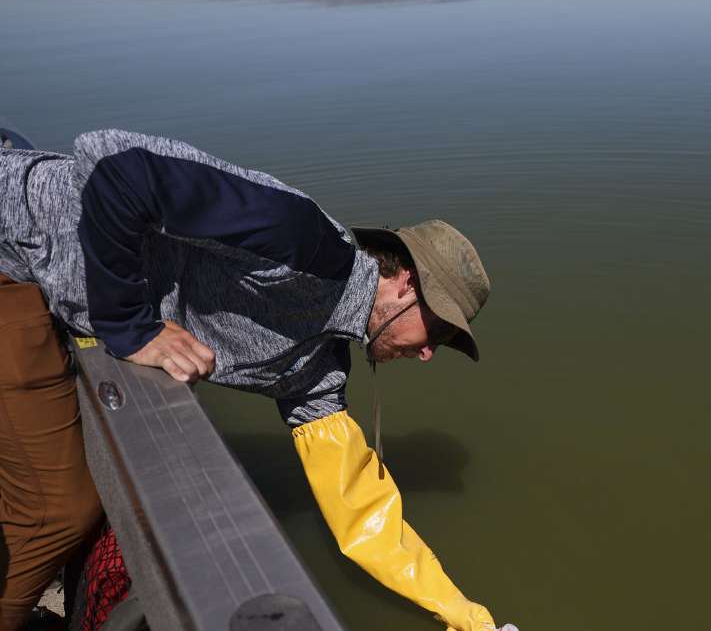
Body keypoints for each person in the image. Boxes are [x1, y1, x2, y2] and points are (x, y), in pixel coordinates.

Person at [0, 130, 515, 631]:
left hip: (52, 304)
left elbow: (361, 510)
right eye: (437, 329)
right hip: (19, 249)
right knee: (56, 511)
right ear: (406, 283)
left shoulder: (318, 371)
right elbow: (113, 164)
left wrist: (466, 616)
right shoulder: (306, 243)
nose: (427, 353)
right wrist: (132, 328)